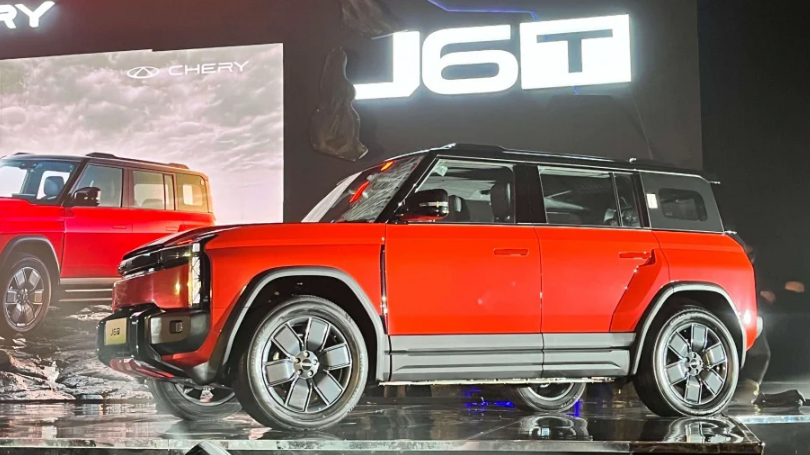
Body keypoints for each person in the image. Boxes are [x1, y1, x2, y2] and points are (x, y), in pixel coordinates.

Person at [735, 242, 806, 407]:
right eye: (748, 253)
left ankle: (748, 391)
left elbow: (757, 282)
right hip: (736, 316)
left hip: (750, 315)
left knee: (761, 354)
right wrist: (783, 286)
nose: (751, 257)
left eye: (752, 254)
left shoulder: (753, 267)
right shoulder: (737, 264)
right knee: (754, 353)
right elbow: (752, 281)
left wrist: (766, 293)